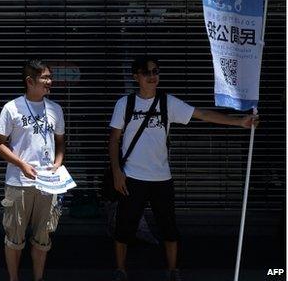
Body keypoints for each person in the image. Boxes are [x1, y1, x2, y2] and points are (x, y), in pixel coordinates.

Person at [108, 56, 258, 281]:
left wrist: (239, 122)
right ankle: (121, 269)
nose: (152, 77)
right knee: (124, 228)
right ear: (135, 76)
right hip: (132, 176)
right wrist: (117, 172)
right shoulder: (125, 104)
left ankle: (173, 270)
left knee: (169, 227)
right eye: (147, 73)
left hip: (161, 177)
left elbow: (202, 114)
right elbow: (113, 140)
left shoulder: (167, 102)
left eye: (156, 72)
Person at [0, 59, 66, 281]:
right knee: (14, 237)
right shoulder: (11, 108)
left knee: (43, 237)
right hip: (18, 183)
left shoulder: (55, 109)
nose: (49, 81)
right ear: (29, 81)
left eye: (50, 77)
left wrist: (58, 162)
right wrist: (22, 164)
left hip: (47, 183)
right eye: (44, 77)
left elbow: (60, 142)